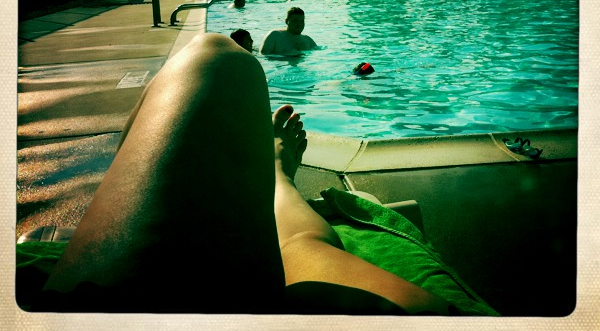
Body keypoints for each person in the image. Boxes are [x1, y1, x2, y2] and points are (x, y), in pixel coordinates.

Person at [37, 33, 453, 315]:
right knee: (302, 244)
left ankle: (276, 177)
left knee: (214, 53)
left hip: (108, 306)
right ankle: (280, 178)